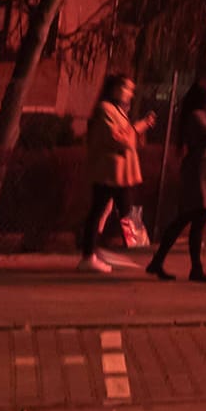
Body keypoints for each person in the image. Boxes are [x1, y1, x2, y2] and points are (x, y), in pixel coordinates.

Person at [147, 84, 206, 282]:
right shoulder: (196, 117)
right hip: (200, 176)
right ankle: (190, 267)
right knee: (190, 220)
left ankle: (163, 262)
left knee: (190, 221)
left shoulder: (204, 115)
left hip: (205, 174)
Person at [79, 73, 155, 273]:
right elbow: (118, 138)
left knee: (109, 210)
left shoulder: (118, 110)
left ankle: (95, 250)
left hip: (117, 173)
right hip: (109, 172)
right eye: (126, 88)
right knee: (108, 210)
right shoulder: (105, 109)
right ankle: (90, 254)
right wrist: (138, 127)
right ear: (114, 88)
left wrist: (140, 127)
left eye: (131, 89)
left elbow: (126, 135)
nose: (129, 93)